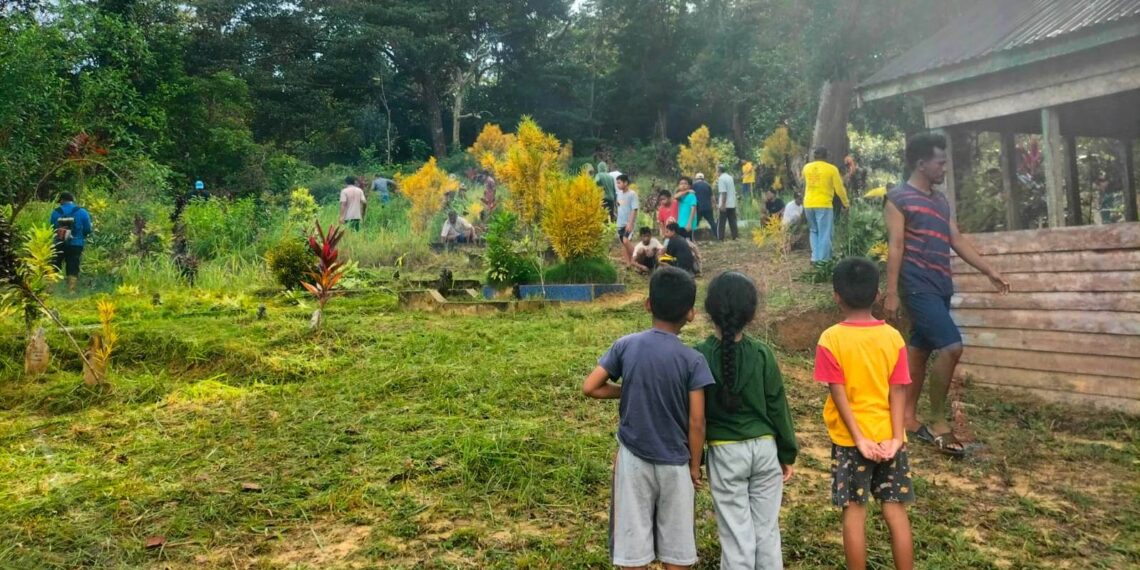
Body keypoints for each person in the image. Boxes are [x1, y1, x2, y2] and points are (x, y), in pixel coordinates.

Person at [884, 132, 1009, 457]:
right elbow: (895, 246)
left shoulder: (940, 201)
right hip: (916, 284)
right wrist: (891, 292)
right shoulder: (898, 199)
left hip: (941, 286)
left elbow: (957, 239)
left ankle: (907, 418)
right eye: (940, 162)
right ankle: (937, 418)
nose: (944, 169)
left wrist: (989, 270)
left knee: (920, 350)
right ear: (921, 163)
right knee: (952, 347)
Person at [583, 266, 714, 570]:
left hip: (633, 461)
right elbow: (697, 422)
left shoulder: (626, 345)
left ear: (647, 304)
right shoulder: (694, 360)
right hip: (676, 464)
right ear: (691, 313)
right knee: (676, 550)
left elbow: (590, 387)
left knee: (633, 549)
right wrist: (695, 467)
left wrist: (626, 390)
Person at [814, 257, 914, 570]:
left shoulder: (831, 339)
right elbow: (898, 390)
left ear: (836, 296)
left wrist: (858, 439)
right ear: (877, 295)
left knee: (854, 513)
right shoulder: (893, 338)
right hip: (888, 438)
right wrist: (897, 438)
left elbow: (838, 392)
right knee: (895, 512)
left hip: (849, 440)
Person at [696, 272, 798, 570]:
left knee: (736, 537)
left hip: (725, 454)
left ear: (709, 310)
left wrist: (695, 459)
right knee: (766, 533)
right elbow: (778, 407)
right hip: (766, 450)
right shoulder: (763, 354)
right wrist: (787, 452)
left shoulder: (698, 356)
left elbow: (695, 417)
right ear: (751, 314)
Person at [802, 147, 849, 263]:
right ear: (826, 156)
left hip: (808, 204)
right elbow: (839, 188)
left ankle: (815, 257)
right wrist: (846, 203)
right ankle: (822, 261)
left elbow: (805, 183)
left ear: (814, 156)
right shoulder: (831, 169)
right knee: (824, 233)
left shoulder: (806, 168)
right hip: (823, 204)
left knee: (814, 231)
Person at [50, 192, 93, 291]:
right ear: (72, 200)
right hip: (76, 244)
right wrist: (81, 236)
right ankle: (71, 290)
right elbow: (87, 229)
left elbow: (52, 228)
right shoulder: (82, 212)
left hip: (59, 243)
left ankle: (50, 289)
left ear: (62, 200)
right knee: (73, 266)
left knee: (55, 265)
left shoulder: (55, 212)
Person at [615, 174, 640, 266]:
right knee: (623, 243)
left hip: (628, 223)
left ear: (625, 183)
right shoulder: (619, 194)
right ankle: (628, 264)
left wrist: (630, 223)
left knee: (626, 241)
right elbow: (619, 207)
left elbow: (634, 209)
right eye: (617, 183)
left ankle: (638, 259)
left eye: (619, 183)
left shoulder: (632, 194)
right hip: (620, 223)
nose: (617, 185)